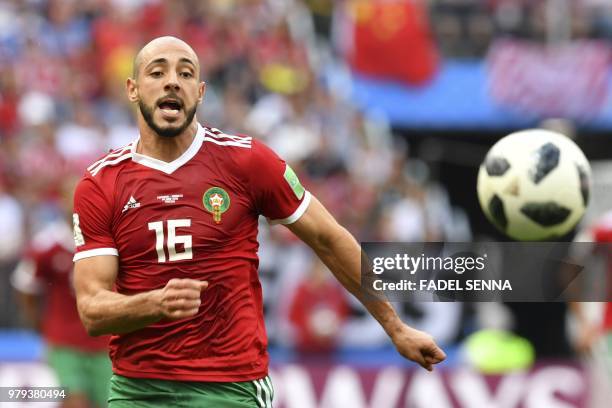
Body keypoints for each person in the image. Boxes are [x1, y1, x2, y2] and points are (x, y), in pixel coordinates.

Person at [72, 36, 446, 407]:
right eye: (158, 72)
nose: (173, 81)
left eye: (185, 74)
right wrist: (154, 304)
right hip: (138, 391)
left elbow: (329, 238)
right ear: (133, 89)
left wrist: (395, 327)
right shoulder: (101, 184)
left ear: (200, 92)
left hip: (231, 388)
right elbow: (92, 309)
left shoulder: (247, 162)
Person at [11, 179, 111, 408]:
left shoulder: (108, 240)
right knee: (74, 400)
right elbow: (26, 285)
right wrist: (39, 325)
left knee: (108, 402)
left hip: (105, 342)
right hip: (65, 341)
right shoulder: (48, 244)